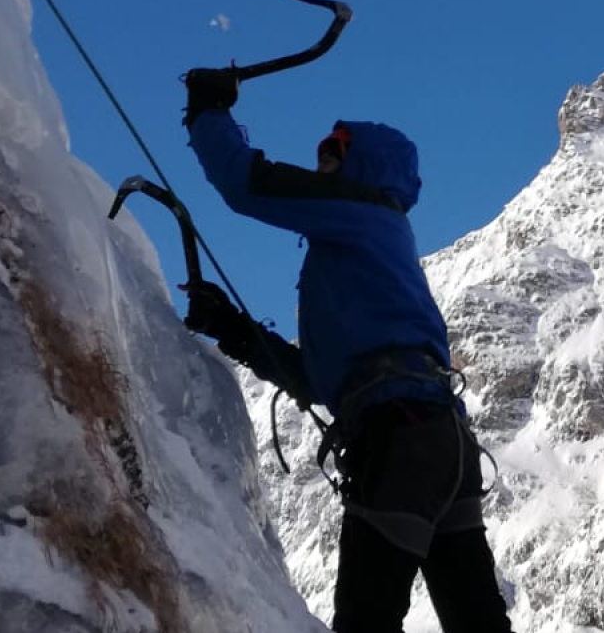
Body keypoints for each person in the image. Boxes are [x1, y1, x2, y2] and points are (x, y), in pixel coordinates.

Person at [180, 69, 516, 633]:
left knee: (366, 621)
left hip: (398, 438)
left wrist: (208, 112)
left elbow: (246, 183)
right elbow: (320, 380)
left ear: (366, 165)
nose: (322, 163)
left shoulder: (362, 212)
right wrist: (234, 329)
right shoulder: (371, 247)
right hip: (441, 443)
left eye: (335, 151)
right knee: (478, 621)